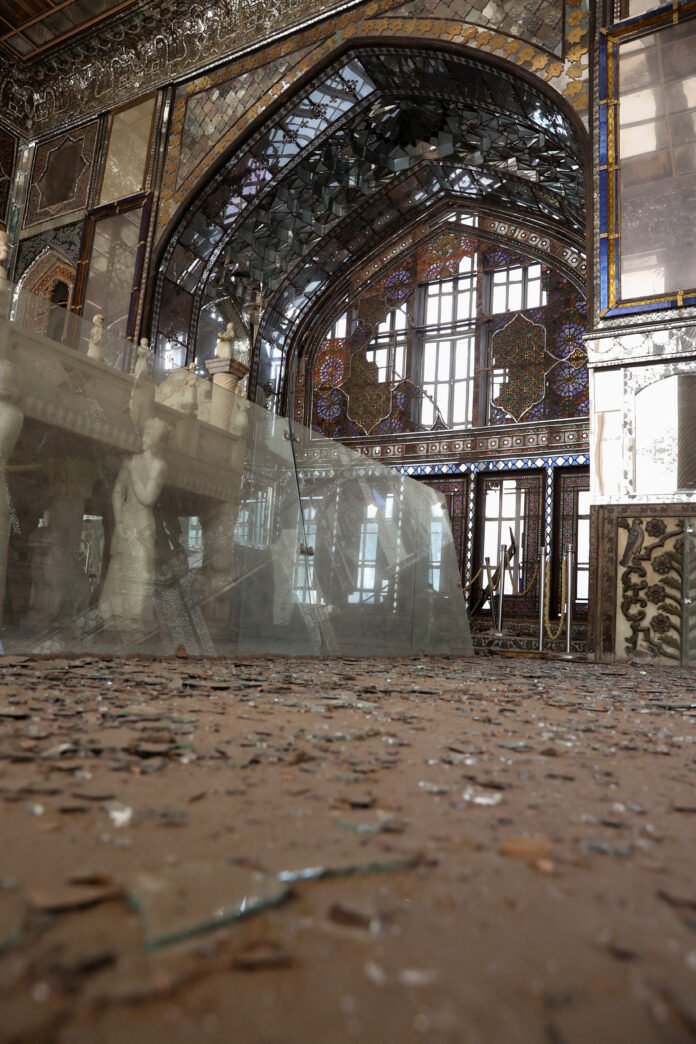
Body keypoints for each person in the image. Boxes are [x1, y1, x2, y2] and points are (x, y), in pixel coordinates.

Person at [99, 417, 169, 630]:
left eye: (150, 435)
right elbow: (117, 492)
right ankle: (113, 613)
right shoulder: (130, 462)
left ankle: (135, 616)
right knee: (119, 566)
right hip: (127, 521)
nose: (145, 438)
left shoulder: (159, 466)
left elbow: (147, 498)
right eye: (145, 434)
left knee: (141, 568)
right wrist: (119, 521)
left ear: (157, 440)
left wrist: (133, 473)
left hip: (143, 523)